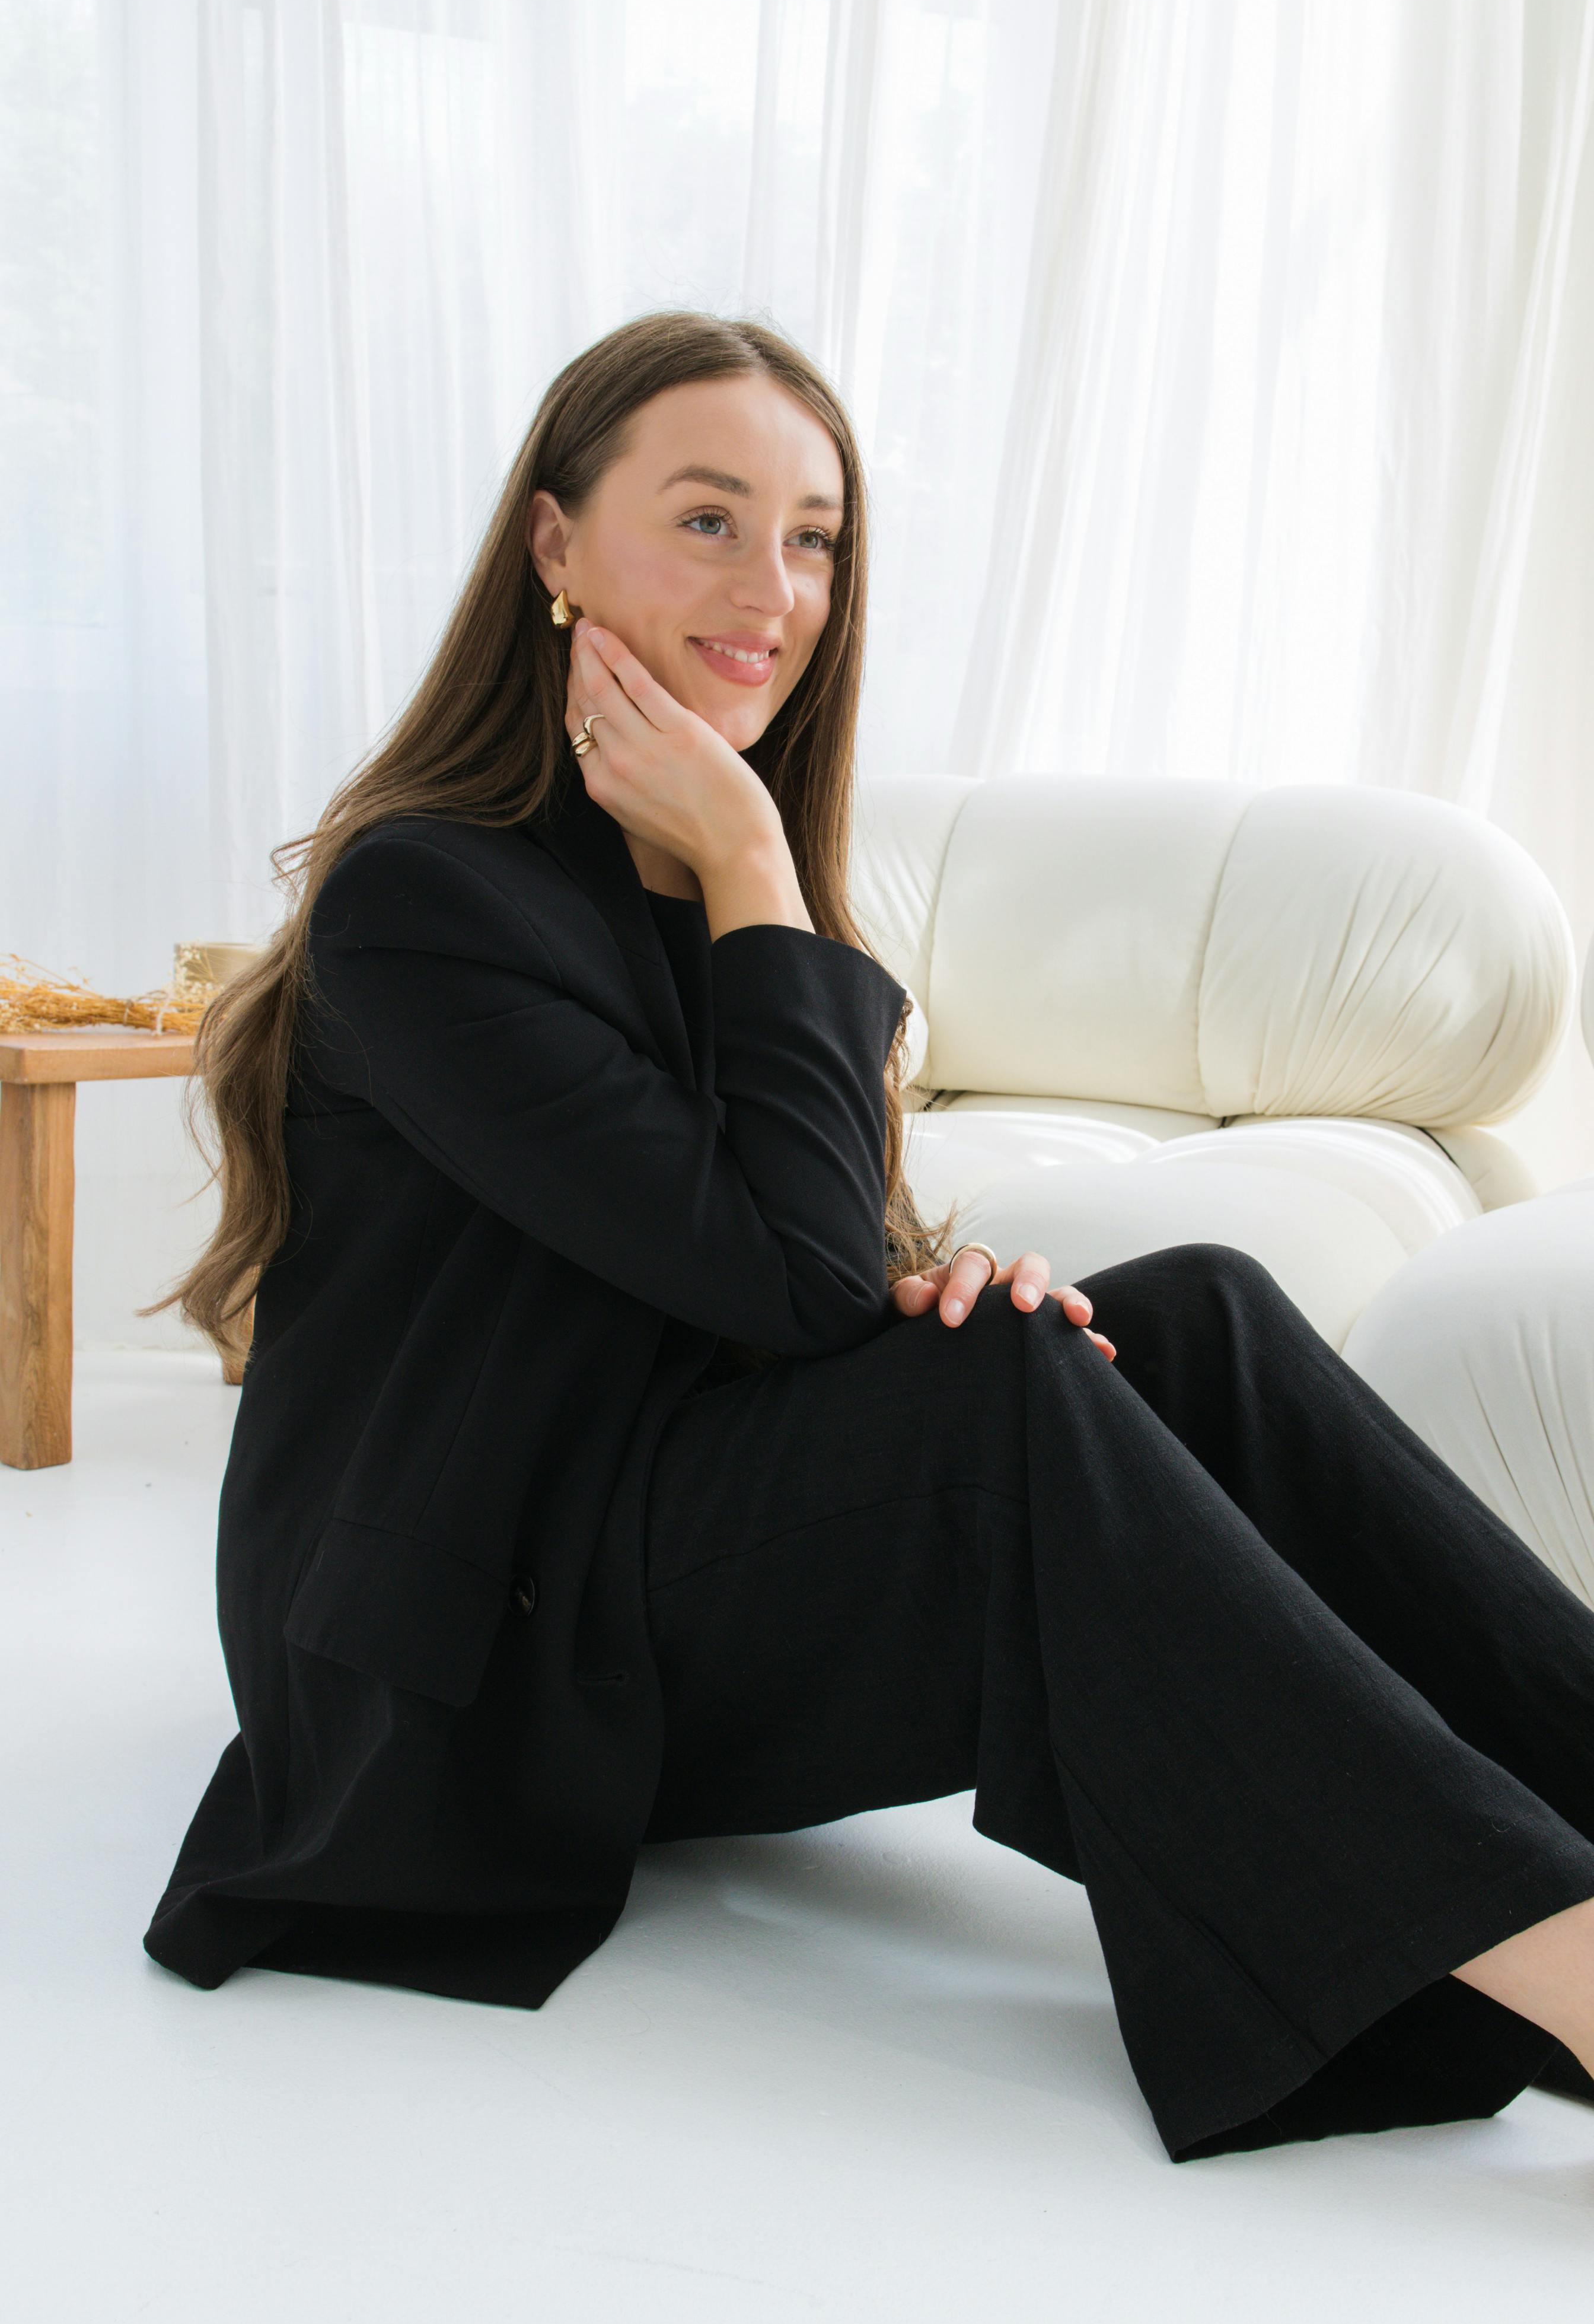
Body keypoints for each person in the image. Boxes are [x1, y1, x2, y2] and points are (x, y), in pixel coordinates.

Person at [142, 308, 1594, 2165]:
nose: (774, 587)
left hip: (638, 1534)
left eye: (814, 537)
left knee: (1197, 1318)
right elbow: (799, 1289)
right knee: (1002, 1404)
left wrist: (944, 1282)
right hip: (472, 1659)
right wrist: (758, 874)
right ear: (553, 544)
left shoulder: (717, 872)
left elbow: (806, 1275)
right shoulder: (427, 897)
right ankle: (1564, 1974)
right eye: (709, 520)